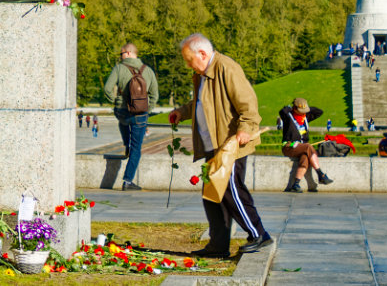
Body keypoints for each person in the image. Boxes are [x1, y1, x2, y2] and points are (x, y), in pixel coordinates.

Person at [168, 34, 272, 257]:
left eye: (189, 60)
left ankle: (259, 234)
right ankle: (218, 245)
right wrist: (181, 112)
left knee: (230, 190)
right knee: (212, 194)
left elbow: (248, 102)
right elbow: (200, 103)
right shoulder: (202, 75)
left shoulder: (226, 68)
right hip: (212, 145)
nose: (188, 65)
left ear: (203, 54)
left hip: (230, 144)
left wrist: (246, 127)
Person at [103, 43, 159, 191]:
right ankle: (127, 181)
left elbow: (107, 88)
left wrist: (115, 101)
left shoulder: (119, 68)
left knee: (122, 123)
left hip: (122, 112)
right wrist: (148, 109)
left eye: (121, 54)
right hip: (140, 114)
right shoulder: (148, 71)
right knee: (137, 149)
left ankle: (126, 143)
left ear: (128, 53)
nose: (120, 57)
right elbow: (155, 95)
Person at [278, 98, 333, 193]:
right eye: (301, 111)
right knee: (308, 146)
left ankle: (296, 184)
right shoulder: (288, 117)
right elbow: (282, 111)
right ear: (295, 109)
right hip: (289, 147)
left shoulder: (305, 118)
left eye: (305, 111)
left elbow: (319, 112)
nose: (303, 113)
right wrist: (290, 108)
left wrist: (304, 106)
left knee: (305, 157)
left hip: (302, 148)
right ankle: (320, 174)